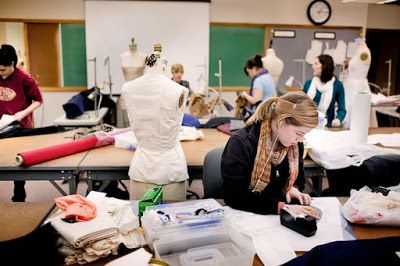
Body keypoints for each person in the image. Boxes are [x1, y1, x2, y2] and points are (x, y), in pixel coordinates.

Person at [221, 91, 319, 217]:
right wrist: (280, 207)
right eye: (299, 133)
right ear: (280, 123)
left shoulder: (294, 145)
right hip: (246, 216)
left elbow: (299, 180)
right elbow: (233, 196)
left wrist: (293, 189)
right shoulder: (242, 143)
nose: (301, 139)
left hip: (275, 216)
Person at [0, 44, 43, 202]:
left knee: (18, 160)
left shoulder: (25, 79)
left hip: (20, 126)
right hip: (2, 124)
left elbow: (38, 100)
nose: (1, 73)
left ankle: (19, 191)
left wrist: (22, 114)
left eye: (3, 70)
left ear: (12, 64)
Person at [303, 54, 346, 128]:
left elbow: (342, 109)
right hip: (307, 125)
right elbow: (301, 105)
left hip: (327, 126)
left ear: (324, 66)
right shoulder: (308, 84)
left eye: (316, 64)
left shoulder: (337, 85)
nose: (313, 66)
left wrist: (338, 119)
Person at [241, 54, 276, 119]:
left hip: (261, 116)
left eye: (248, 72)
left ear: (253, 68)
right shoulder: (268, 76)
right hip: (269, 113)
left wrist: (245, 95)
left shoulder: (258, 80)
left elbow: (255, 101)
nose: (249, 76)